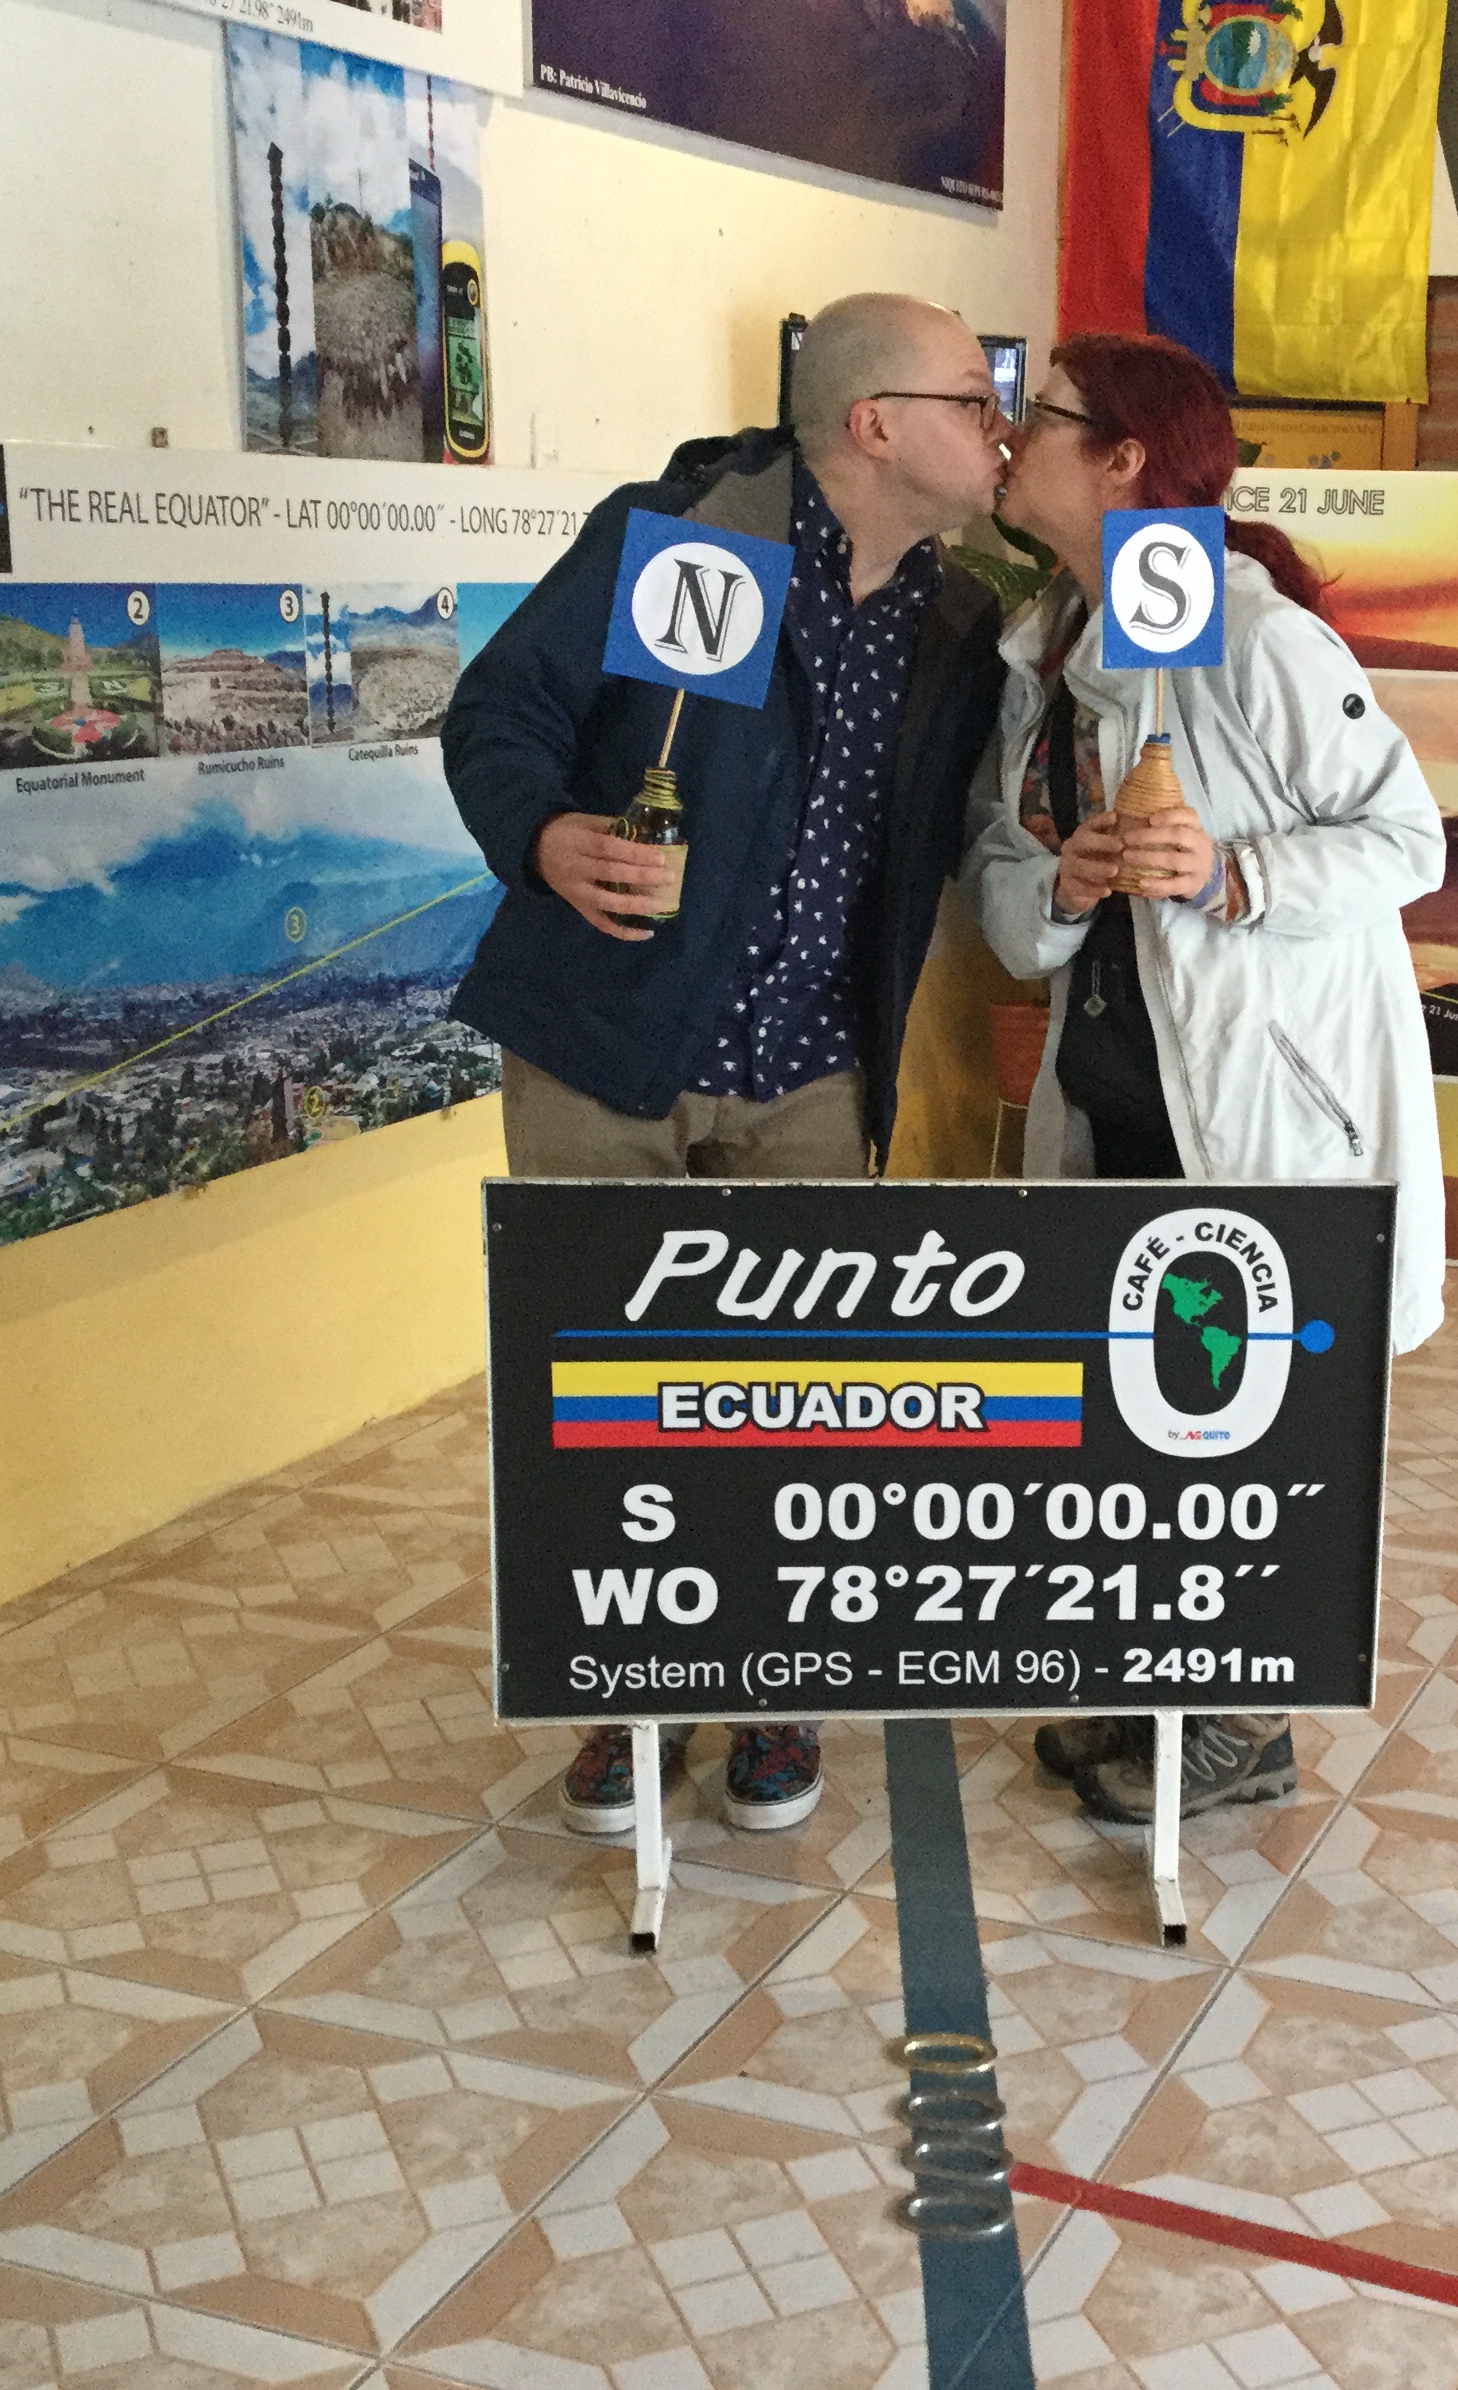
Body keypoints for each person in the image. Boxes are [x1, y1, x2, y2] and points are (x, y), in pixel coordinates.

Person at [443, 294, 1013, 1836]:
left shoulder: (960, 621)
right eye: (974, 398)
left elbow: (971, 832)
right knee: (606, 1399)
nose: (999, 426)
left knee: (795, 1405)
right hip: (606, 1045)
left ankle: (774, 1686)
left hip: (814, 1070)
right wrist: (542, 834)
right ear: (874, 423)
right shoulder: (689, 538)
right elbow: (502, 710)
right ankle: (627, 1700)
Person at [959, 332, 1446, 1824]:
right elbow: (1001, 885)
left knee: (1248, 1414)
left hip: (1253, 1109)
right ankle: (1143, 1677)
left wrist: (1235, 873)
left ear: (1121, 460)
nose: (1005, 438)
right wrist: (1065, 883)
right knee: (1133, 1409)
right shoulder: (1040, 651)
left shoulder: (1257, 639)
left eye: (1036, 417)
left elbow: (1408, 841)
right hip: (1114, 1096)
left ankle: (1243, 1717)